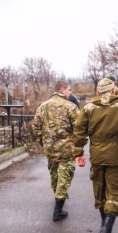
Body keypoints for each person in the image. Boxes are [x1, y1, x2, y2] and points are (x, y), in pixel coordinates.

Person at [74, 78, 118, 233]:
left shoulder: (88, 108)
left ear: (98, 91)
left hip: (97, 155)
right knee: (114, 190)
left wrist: (79, 152)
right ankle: (107, 226)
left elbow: (79, 131)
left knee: (99, 189)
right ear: (113, 90)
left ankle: (103, 224)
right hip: (116, 155)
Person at [32, 80, 80, 221]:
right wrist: (78, 146)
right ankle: (58, 211)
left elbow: (35, 126)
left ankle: (57, 201)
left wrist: (43, 141)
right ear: (62, 90)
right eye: (69, 89)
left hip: (50, 148)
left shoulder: (43, 106)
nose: (70, 92)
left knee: (54, 175)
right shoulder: (71, 107)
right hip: (66, 149)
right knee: (64, 177)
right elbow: (79, 128)